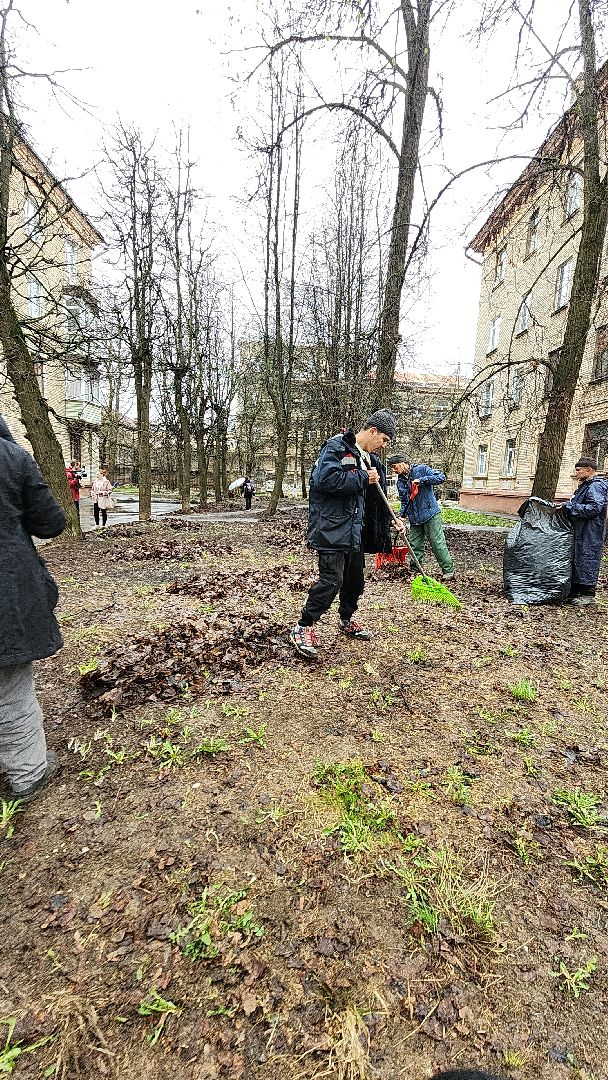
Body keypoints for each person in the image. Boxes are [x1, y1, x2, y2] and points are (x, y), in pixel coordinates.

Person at [290, 410, 405, 659]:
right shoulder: (337, 447)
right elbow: (325, 480)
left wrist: (391, 521)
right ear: (373, 431)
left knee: (354, 582)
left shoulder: (370, 460)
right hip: (331, 529)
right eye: (384, 440)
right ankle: (303, 626)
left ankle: (346, 619)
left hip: (354, 531)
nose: (384, 446)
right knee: (332, 580)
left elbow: (375, 500)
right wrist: (363, 477)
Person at [0, 415, 65, 801]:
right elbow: (50, 523)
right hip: (6, 594)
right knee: (9, 688)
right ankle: (29, 773)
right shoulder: (11, 457)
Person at [387, 454, 455, 580]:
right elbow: (404, 501)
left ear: (402, 463)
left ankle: (448, 571)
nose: (393, 470)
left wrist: (422, 481)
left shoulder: (421, 470)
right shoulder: (400, 481)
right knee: (415, 546)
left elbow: (441, 477)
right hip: (414, 518)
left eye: (394, 466)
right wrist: (401, 516)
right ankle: (415, 571)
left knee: (437, 543)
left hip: (430, 514)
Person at [561, 456, 608, 606]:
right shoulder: (585, 485)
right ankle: (576, 591)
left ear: (589, 470)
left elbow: (594, 508)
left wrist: (569, 507)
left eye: (578, 470)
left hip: (590, 531)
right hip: (582, 529)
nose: (576, 473)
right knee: (579, 559)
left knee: (587, 559)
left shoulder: (595, 486)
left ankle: (587, 594)